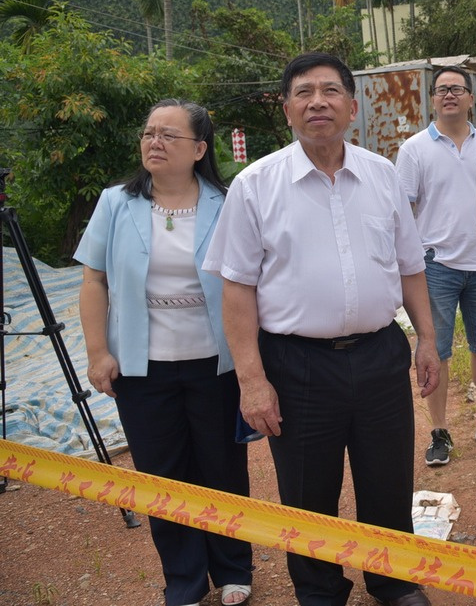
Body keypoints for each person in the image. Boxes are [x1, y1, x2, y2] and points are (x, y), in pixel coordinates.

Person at [203, 52, 439, 606]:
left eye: (330, 91)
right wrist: (251, 380)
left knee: (387, 481)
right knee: (308, 492)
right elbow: (236, 290)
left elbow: (410, 267)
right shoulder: (256, 185)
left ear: (352, 107)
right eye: (303, 92)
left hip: (380, 354)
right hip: (296, 363)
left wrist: (427, 338)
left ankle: (394, 581)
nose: (317, 102)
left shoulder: (383, 177)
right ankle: (319, 590)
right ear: (286, 109)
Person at [75, 99, 253, 606]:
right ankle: (184, 580)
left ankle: (233, 569)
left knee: (222, 468)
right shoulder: (116, 202)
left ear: (199, 149)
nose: (154, 142)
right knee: (161, 472)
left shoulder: (228, 200)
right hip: (141, 366)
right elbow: (93, 281)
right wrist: (97, 351)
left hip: (215, 363)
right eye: (149, 133)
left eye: (168, 135)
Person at [395, 65, 476, 467]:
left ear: (471, 98)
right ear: (433, 99)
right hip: (435, 264)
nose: (449, 95)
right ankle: (439, 431)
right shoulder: (414, 150)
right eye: (441, 89)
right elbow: (403, 212)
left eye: (456, 89)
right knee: (435, 350)